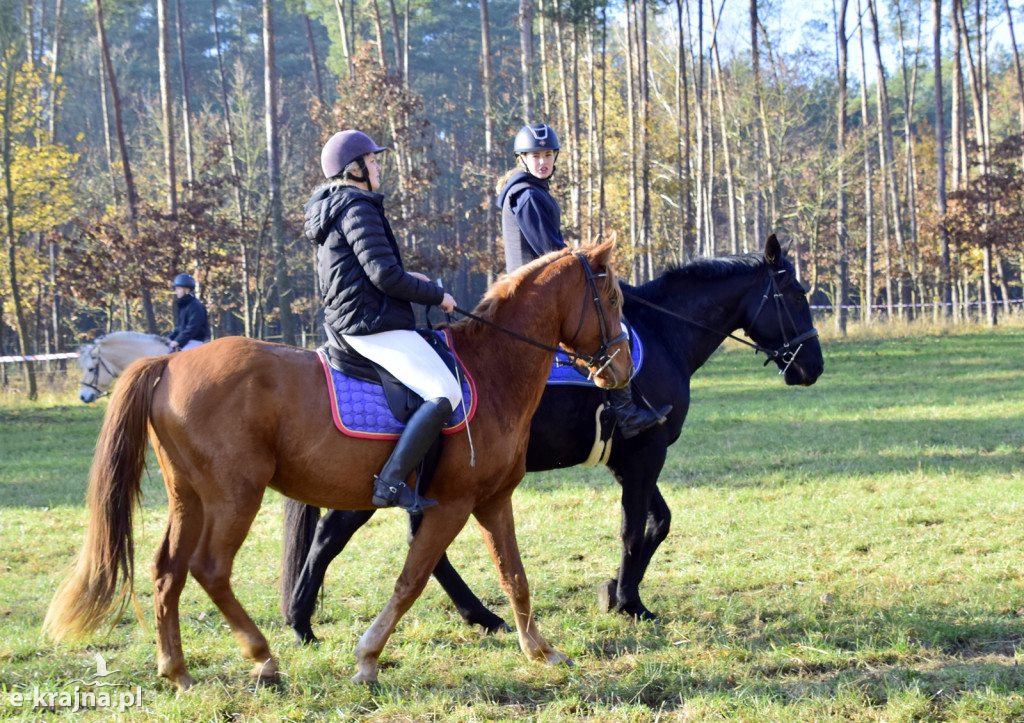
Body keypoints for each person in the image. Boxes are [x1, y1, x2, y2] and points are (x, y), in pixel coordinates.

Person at [305, 129, 460, 510]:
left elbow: (375, 270)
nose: (377, 168)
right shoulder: (357, 207)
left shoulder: (338, 204)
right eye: (372, 161)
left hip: (358, 315)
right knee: (446, 392)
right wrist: (436, 295)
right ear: (354, 169)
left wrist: (416, 280)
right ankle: (390, 483)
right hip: (369, 324)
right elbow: (384, 277)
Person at [497, 122, 670, 439]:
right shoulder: (527, 196)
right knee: (610, 331)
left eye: (548, 154)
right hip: (538, 296)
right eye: (535, 155)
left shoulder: (531, 192)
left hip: (538, 291)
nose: (543, 161)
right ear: (522, 158)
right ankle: (626, 414)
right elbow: (549, 251)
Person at [168, 273, 210, 351]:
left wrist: (178, 341)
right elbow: (178, 329)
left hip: (194, 342)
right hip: (185, 341)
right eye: (176, 288)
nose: (176, 291)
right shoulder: (183, 306)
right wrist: (167, 339)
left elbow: (193, 328)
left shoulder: (195, 306)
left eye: (179, 288)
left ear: (187, 290)